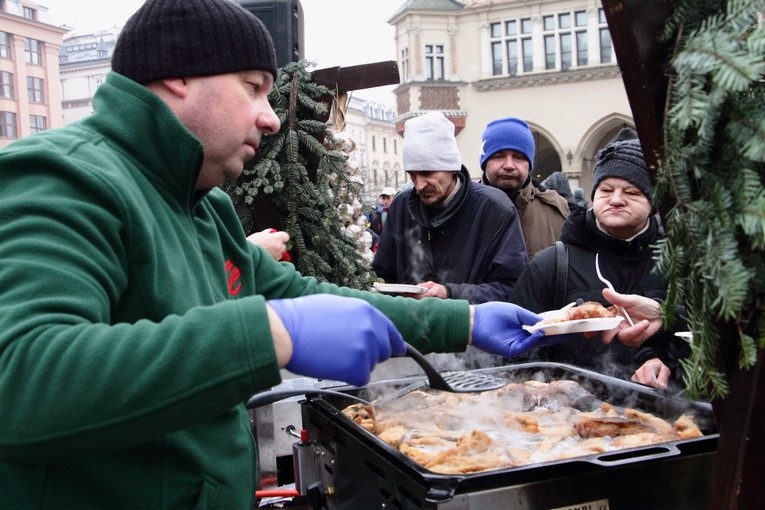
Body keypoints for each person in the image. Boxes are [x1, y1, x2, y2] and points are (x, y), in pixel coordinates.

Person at [0, 1, 556, 508]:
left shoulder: (204, 206)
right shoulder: (64, 176)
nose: (269, 117)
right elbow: (21, 381)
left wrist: (466, 319)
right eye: (253, 87)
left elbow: (300, 295)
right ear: (177, 75)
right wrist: (269, 334)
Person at [510, 128, 690, 389]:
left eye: (631, 192)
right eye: (606, 190)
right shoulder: (551, 265)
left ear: (653, 202)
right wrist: (551, 390)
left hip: (666, 419)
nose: (616, 200)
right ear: (593, 196)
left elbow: (709, 348)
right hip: (572, 420)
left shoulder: (680, 264)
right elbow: (519, 352)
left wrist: (668, 364)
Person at [372, 111, 528, 304]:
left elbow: (512, 289)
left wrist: (449, 293)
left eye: (427, 172)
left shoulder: (495, 209)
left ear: (451, 167)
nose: (419, 185)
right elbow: (382, 276)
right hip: (412, 329)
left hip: (471, 330)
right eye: (412, 175)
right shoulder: (402, 206)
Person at [480, 116, 570, 258]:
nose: (509, 165)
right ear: (485, 162)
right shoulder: (463, 208)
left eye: (519, 157)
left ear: (529, 163)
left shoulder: (558, 211)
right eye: (499, 156)